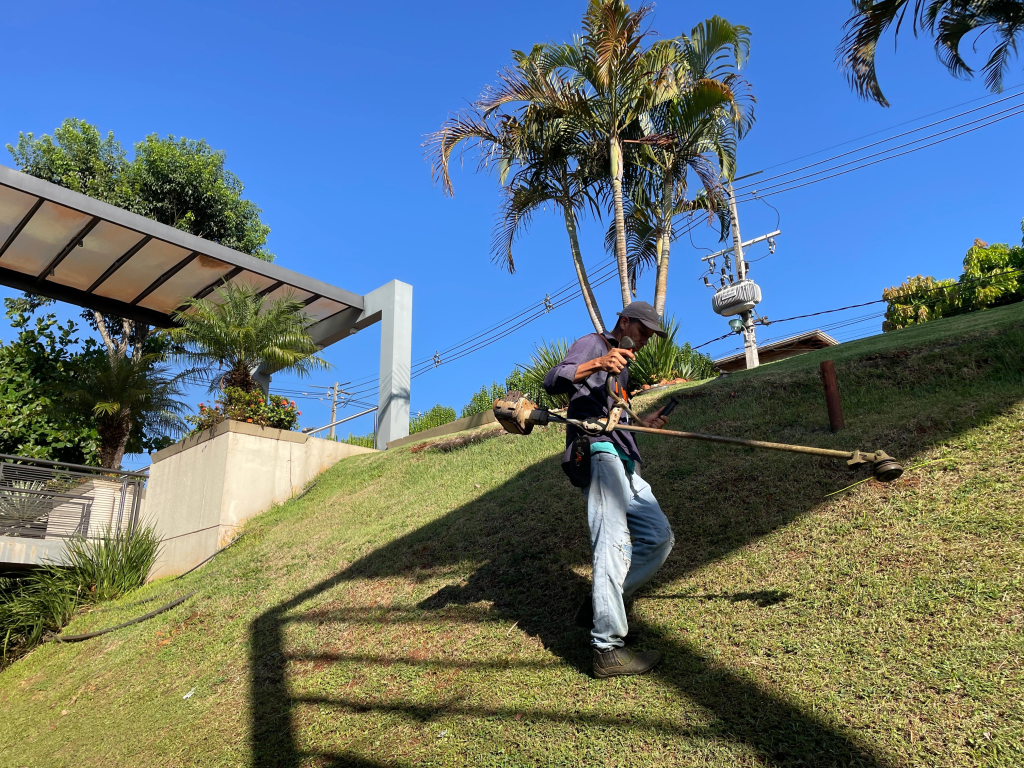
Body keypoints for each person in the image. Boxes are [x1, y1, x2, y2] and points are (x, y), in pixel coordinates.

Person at [543, 301, 676, 679]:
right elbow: (553, 380)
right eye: (643, 331)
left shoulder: (623, 366)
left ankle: (599, 603)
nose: (646, 340)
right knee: (613, 545)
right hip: (598, 453)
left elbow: (614, 415)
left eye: (650, 335)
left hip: (624, 460)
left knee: (660, 537)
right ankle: (607, 649)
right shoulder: (594, 344)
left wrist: (643, 422)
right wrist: (598, 362)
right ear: (624, 322)